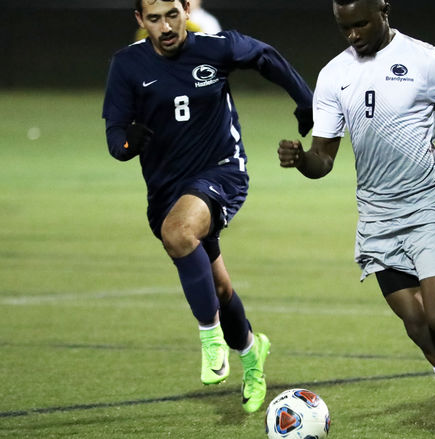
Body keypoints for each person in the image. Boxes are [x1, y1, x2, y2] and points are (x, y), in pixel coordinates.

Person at [277, 1, 435, 438]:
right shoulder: (333, 75)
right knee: (423, 331)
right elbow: (324, 158)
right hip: (378, 220)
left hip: (430, 207)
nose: (353, 35)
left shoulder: (424, 61)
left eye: (361, 24)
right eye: (344, 28)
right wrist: (303, 159)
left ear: (384, 10)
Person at [102, 0, 314, 413]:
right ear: (140, 21)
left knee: (178, 233)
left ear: (186, 10)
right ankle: (253, 355)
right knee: (217, 287)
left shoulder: (216, 47)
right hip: (167, 190)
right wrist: (129, 143)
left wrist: (306, 102)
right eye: (154, 19)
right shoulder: (126, 65)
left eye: (172, 15)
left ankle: (210, 337)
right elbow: (115, 136)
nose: (165, 27)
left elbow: (266, 57)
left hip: (222, 172)